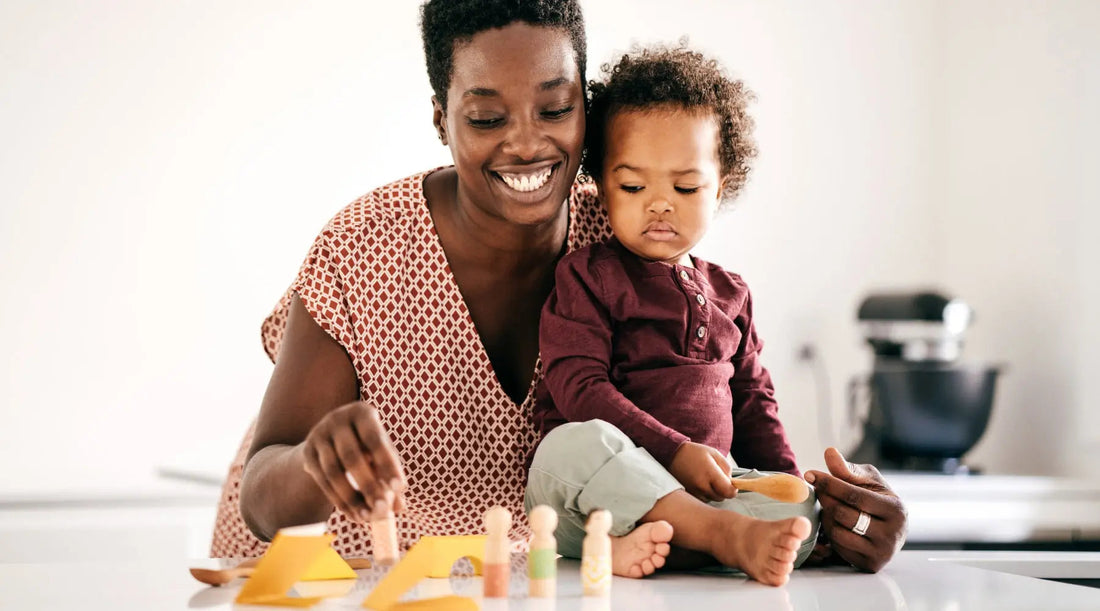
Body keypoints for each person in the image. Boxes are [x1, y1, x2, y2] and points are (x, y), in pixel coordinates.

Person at [211, 0, 908, 576]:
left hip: (532, 580)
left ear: (587, 111)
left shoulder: (628, 229)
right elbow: (263, 496)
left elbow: (720, 414)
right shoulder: (364, 248)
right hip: (344, 580)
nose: (525, 143)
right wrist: (316, 464)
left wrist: (834, 520)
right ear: (441, 118)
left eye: (554, 109)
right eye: (486, 118)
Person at [524, 43, 903, 586]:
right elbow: (578, 388)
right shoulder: (588, 276)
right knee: (571, 446)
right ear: (602, 189)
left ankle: (669, 543)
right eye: (633, 186)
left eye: (685, 186)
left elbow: (754, 405)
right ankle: (709, 539)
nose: (659, 203)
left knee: (799, 508)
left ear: (720, 189)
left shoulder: (732, 293)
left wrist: (793, 485)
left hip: (711, 492)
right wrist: (675, 452)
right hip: (591, 494)